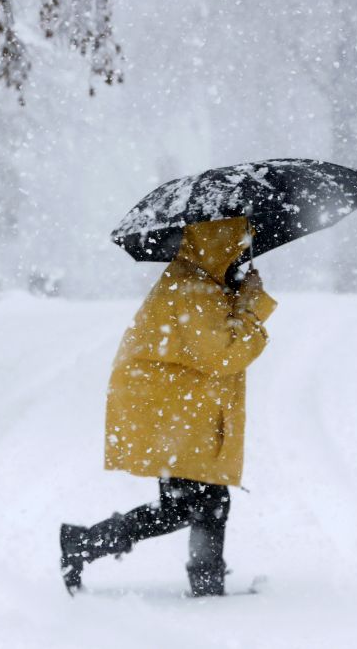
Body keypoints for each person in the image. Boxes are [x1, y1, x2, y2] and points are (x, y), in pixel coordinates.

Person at [60, 216, 277, 597]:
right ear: (218, 241)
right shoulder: (192, 287)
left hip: (177, 407)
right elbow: (224, 355)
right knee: (207, 500)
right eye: (237, 242)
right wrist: (251, 308)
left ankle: (84, 543)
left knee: (184, 504)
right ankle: (207, 585)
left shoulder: (199, 281)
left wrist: (240, 298)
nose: (242, 250)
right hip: (175, 409)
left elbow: (216, 339)